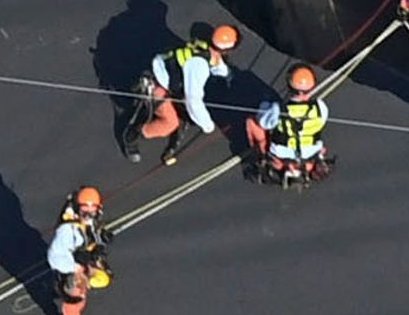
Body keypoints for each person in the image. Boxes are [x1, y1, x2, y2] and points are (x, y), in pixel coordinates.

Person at [121, 25, 240, 165]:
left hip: (163, 68)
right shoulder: (200, 67)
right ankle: (133, 134)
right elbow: (193, 101)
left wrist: (228, 75)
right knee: (170, 123)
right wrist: (207, 125)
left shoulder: (204, 45)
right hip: (157, 84)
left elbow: (216, 63)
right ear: (227, 50)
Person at [245, 65, 333, 186]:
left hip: (281, 155)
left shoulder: (278, 109)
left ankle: (261, 153)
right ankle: (306, 167)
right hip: (310, 155)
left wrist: (265, 106)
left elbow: (263, 122)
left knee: (251, 122)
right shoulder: (320, 107)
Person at [48, 187, 112, 315]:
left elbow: (90, 233)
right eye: (85, 213)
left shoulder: (87, 220)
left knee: (103, 279)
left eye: (92, 213)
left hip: (83, 259)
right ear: (77, 210)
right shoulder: (67, 230)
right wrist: (76, 270)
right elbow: (54, 257)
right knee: (77, 297)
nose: (88, 217)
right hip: (70, 267)